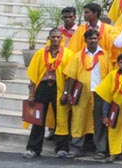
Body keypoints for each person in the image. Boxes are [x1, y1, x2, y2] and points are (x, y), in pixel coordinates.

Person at [63, 29, 111, 159]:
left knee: (99, 121)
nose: (93, 41)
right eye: (90, 39)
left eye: (95, 38)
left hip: (100, 93)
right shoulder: (78, 56)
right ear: (85, 40)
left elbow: (110, 76)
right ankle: (76, 148)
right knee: (78, 119)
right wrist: (68, 93)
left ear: (98, 39)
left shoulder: (105, 55)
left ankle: (101, 150)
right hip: (81, 92)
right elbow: (71, 76)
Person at [25, 28, 72, 159]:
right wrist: (31, 94)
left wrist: (66, 93)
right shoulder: (40, 54)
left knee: (61, 118)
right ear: (49, 38)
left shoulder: (68, 54)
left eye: (58, 37)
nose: (55, 39)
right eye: (53, 37)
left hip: (59, 88)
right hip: (43, 87)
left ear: (61, 39)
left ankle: (62, 149)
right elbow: (33, 76)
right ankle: (33, 149)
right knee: (38, 117)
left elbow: (70, 76)